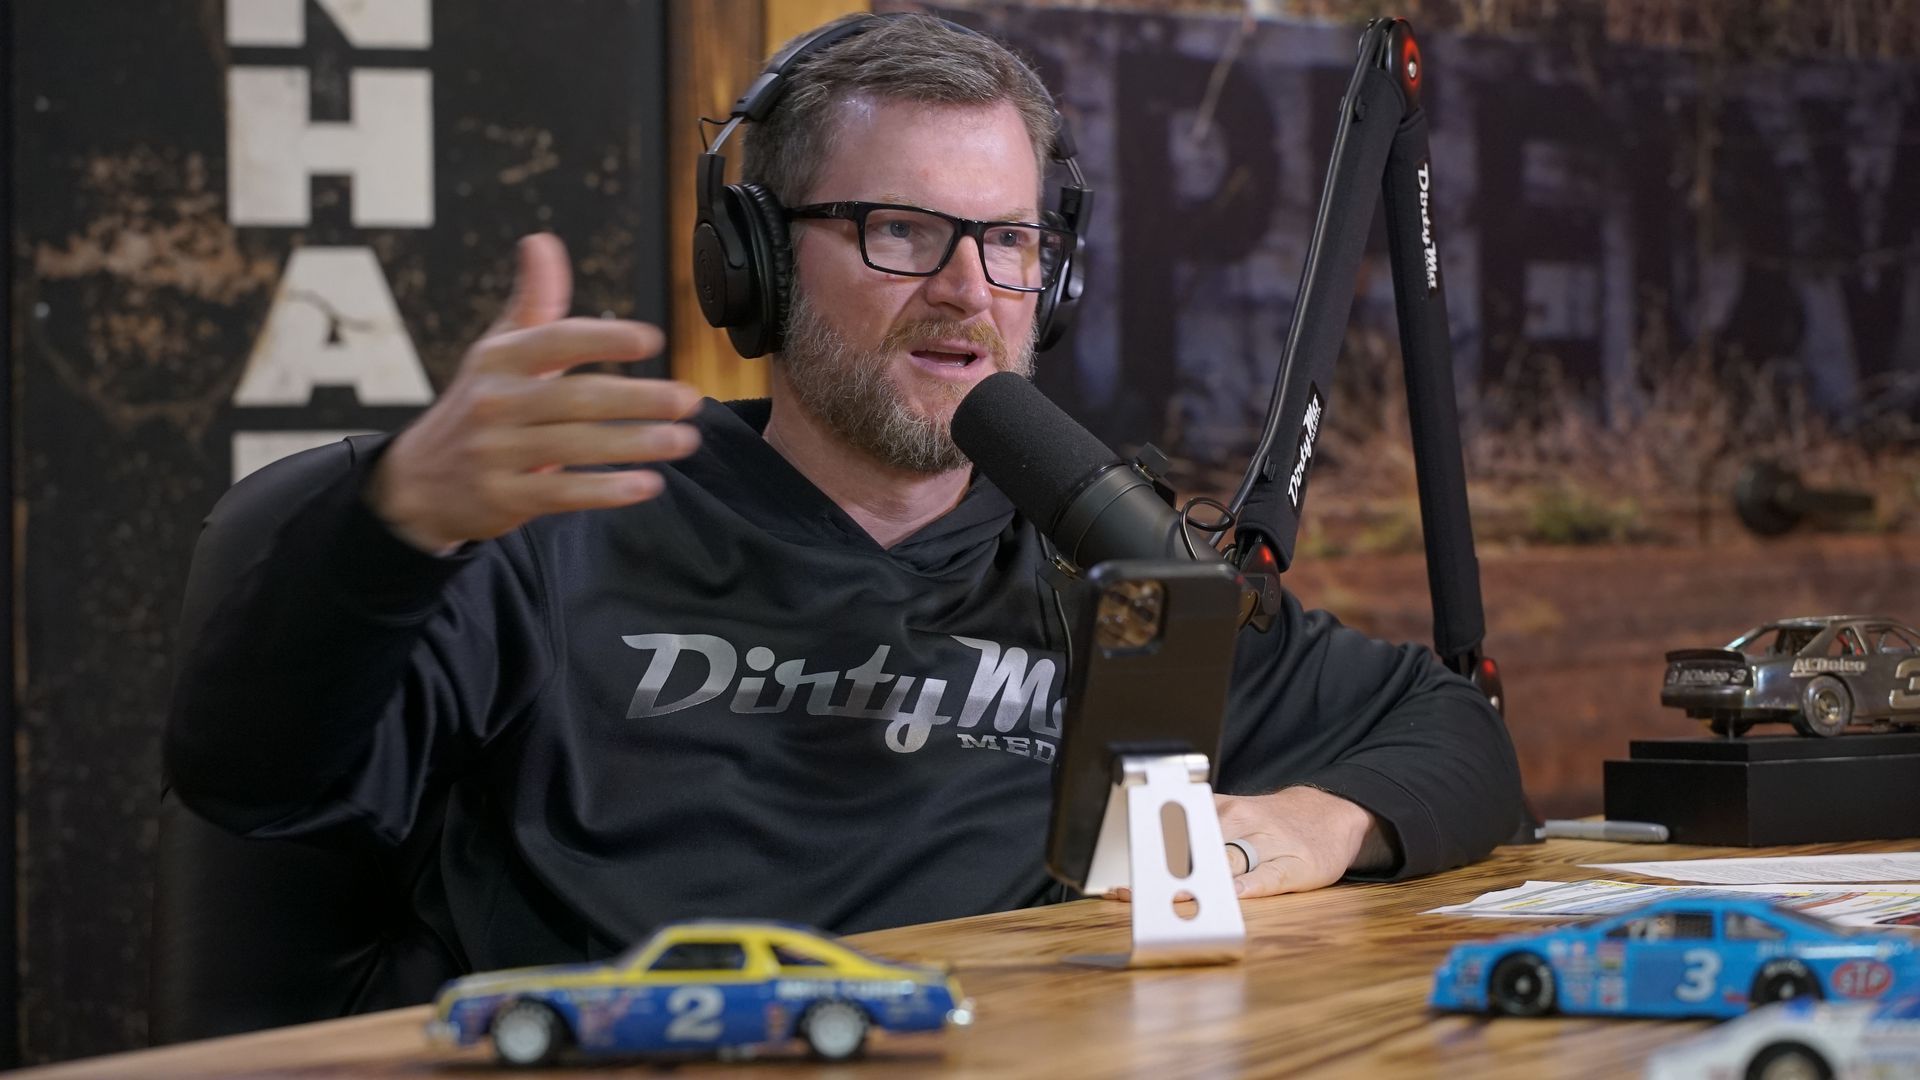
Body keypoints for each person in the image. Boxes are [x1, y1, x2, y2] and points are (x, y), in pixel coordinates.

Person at [167, 13, 1523, 975]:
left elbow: (1455, 733)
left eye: (1007, 241)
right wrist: (395, 524)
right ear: (754, 262)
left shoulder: (1096, 561)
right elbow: (251, 780)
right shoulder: (565, 519)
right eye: (900, 231)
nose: (967, 292)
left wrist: (1316, 825)